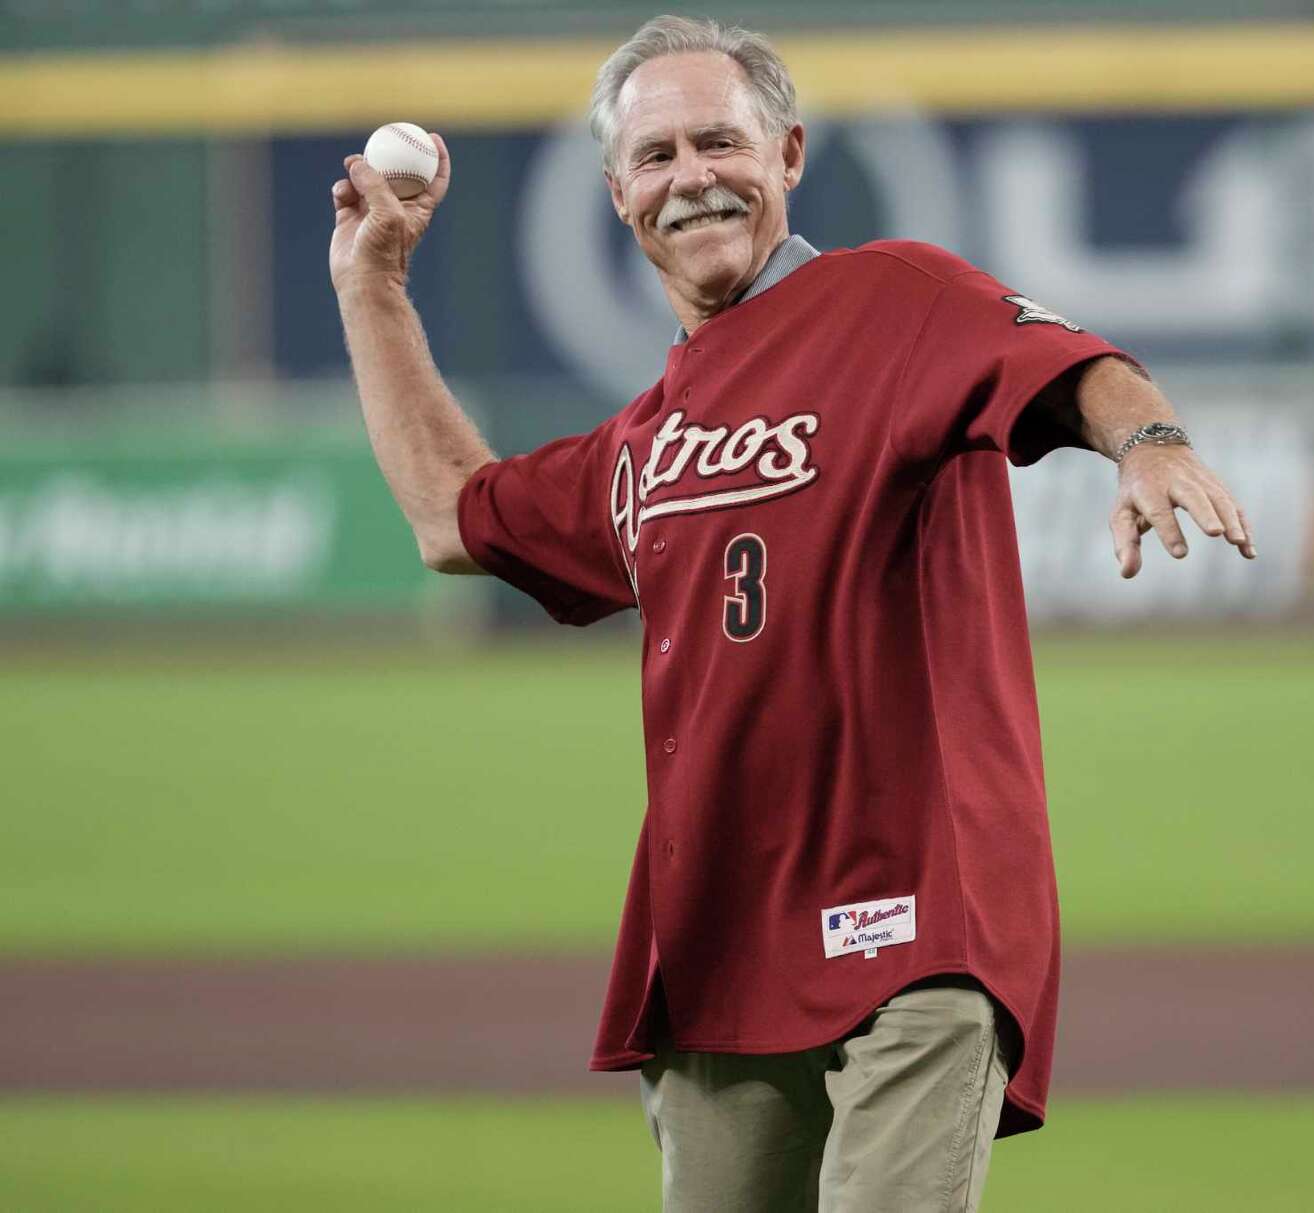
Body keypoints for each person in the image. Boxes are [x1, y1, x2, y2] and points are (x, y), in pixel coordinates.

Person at [330, 15, 1253, 1211]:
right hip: (720, 944)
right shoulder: (645, 442)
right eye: (655, 157)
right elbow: (454, 518)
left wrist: (1150, 440)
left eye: (720, 141)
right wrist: (376, 287)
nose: (691, 177)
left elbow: (1073, 365)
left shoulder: (896, 300)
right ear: (617, 196)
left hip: (915, 928)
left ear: (789, 156)